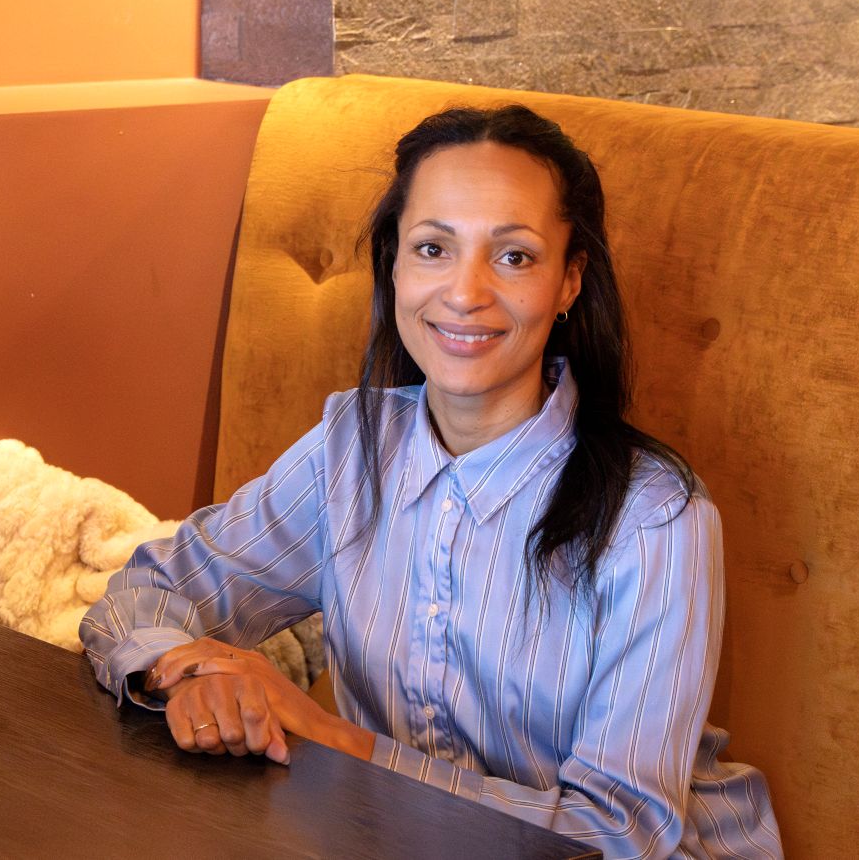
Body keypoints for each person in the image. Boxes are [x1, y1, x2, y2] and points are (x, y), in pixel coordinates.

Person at [81, 105, 783, 858]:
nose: (465, 292)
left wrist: (334, 738)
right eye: (433, 248)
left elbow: (621, 833)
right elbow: (151, 591)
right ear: (395, 265)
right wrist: (191, 671)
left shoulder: (656, 517)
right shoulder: (352, 449)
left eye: (514, 256)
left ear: (569, 280)